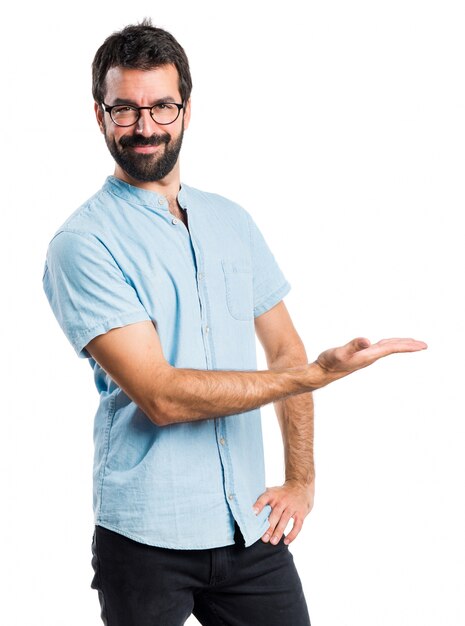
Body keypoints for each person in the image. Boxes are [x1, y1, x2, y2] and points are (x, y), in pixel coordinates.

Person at [42, 19, 426, 626]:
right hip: (145, 540)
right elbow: (162, 396)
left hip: (250, 529)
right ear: (99, 115)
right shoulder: (83, 243)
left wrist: (300, 480)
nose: (145, 127)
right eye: (125, 109)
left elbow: (283, 349)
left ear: (187, 110)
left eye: (162, 106)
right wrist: (314, 377)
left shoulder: (231, 221)